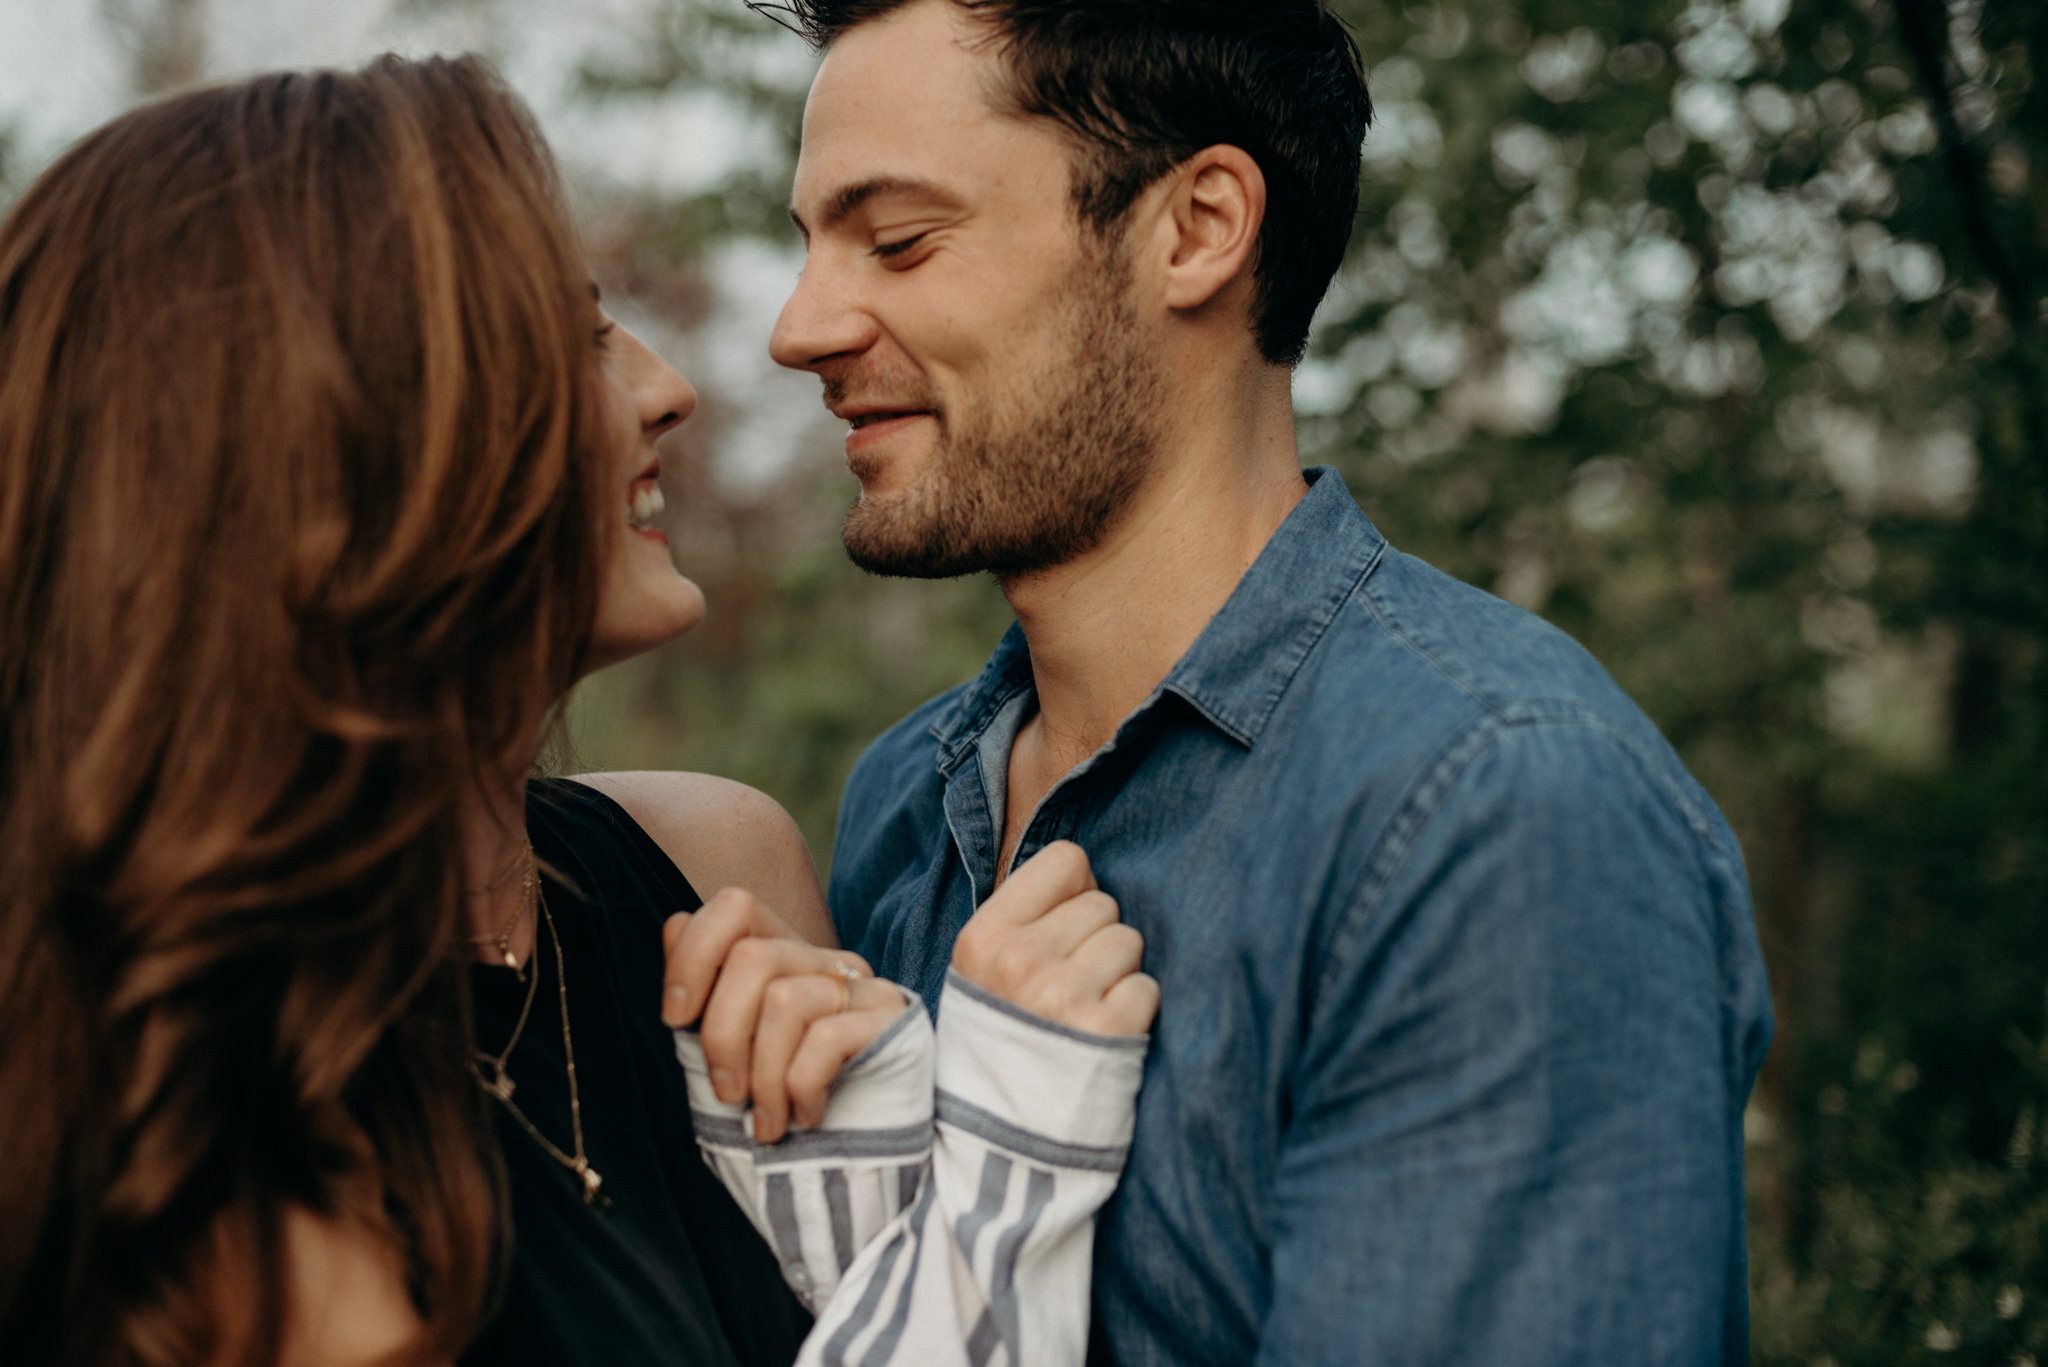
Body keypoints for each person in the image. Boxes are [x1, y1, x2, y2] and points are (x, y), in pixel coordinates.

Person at [0, 53, 1153, 1367]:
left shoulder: (713, 874)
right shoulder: (201, 1133)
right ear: (362, 443)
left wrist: (874, 1199)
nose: (667, 386)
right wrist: (1007, 1180)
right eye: (575, 338)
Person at [760, 1, 1776, 1362]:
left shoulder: (1492, 812)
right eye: (807, 246)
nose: (802, 326)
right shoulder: (904, 802)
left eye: (897, 242)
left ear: (1196, 228)